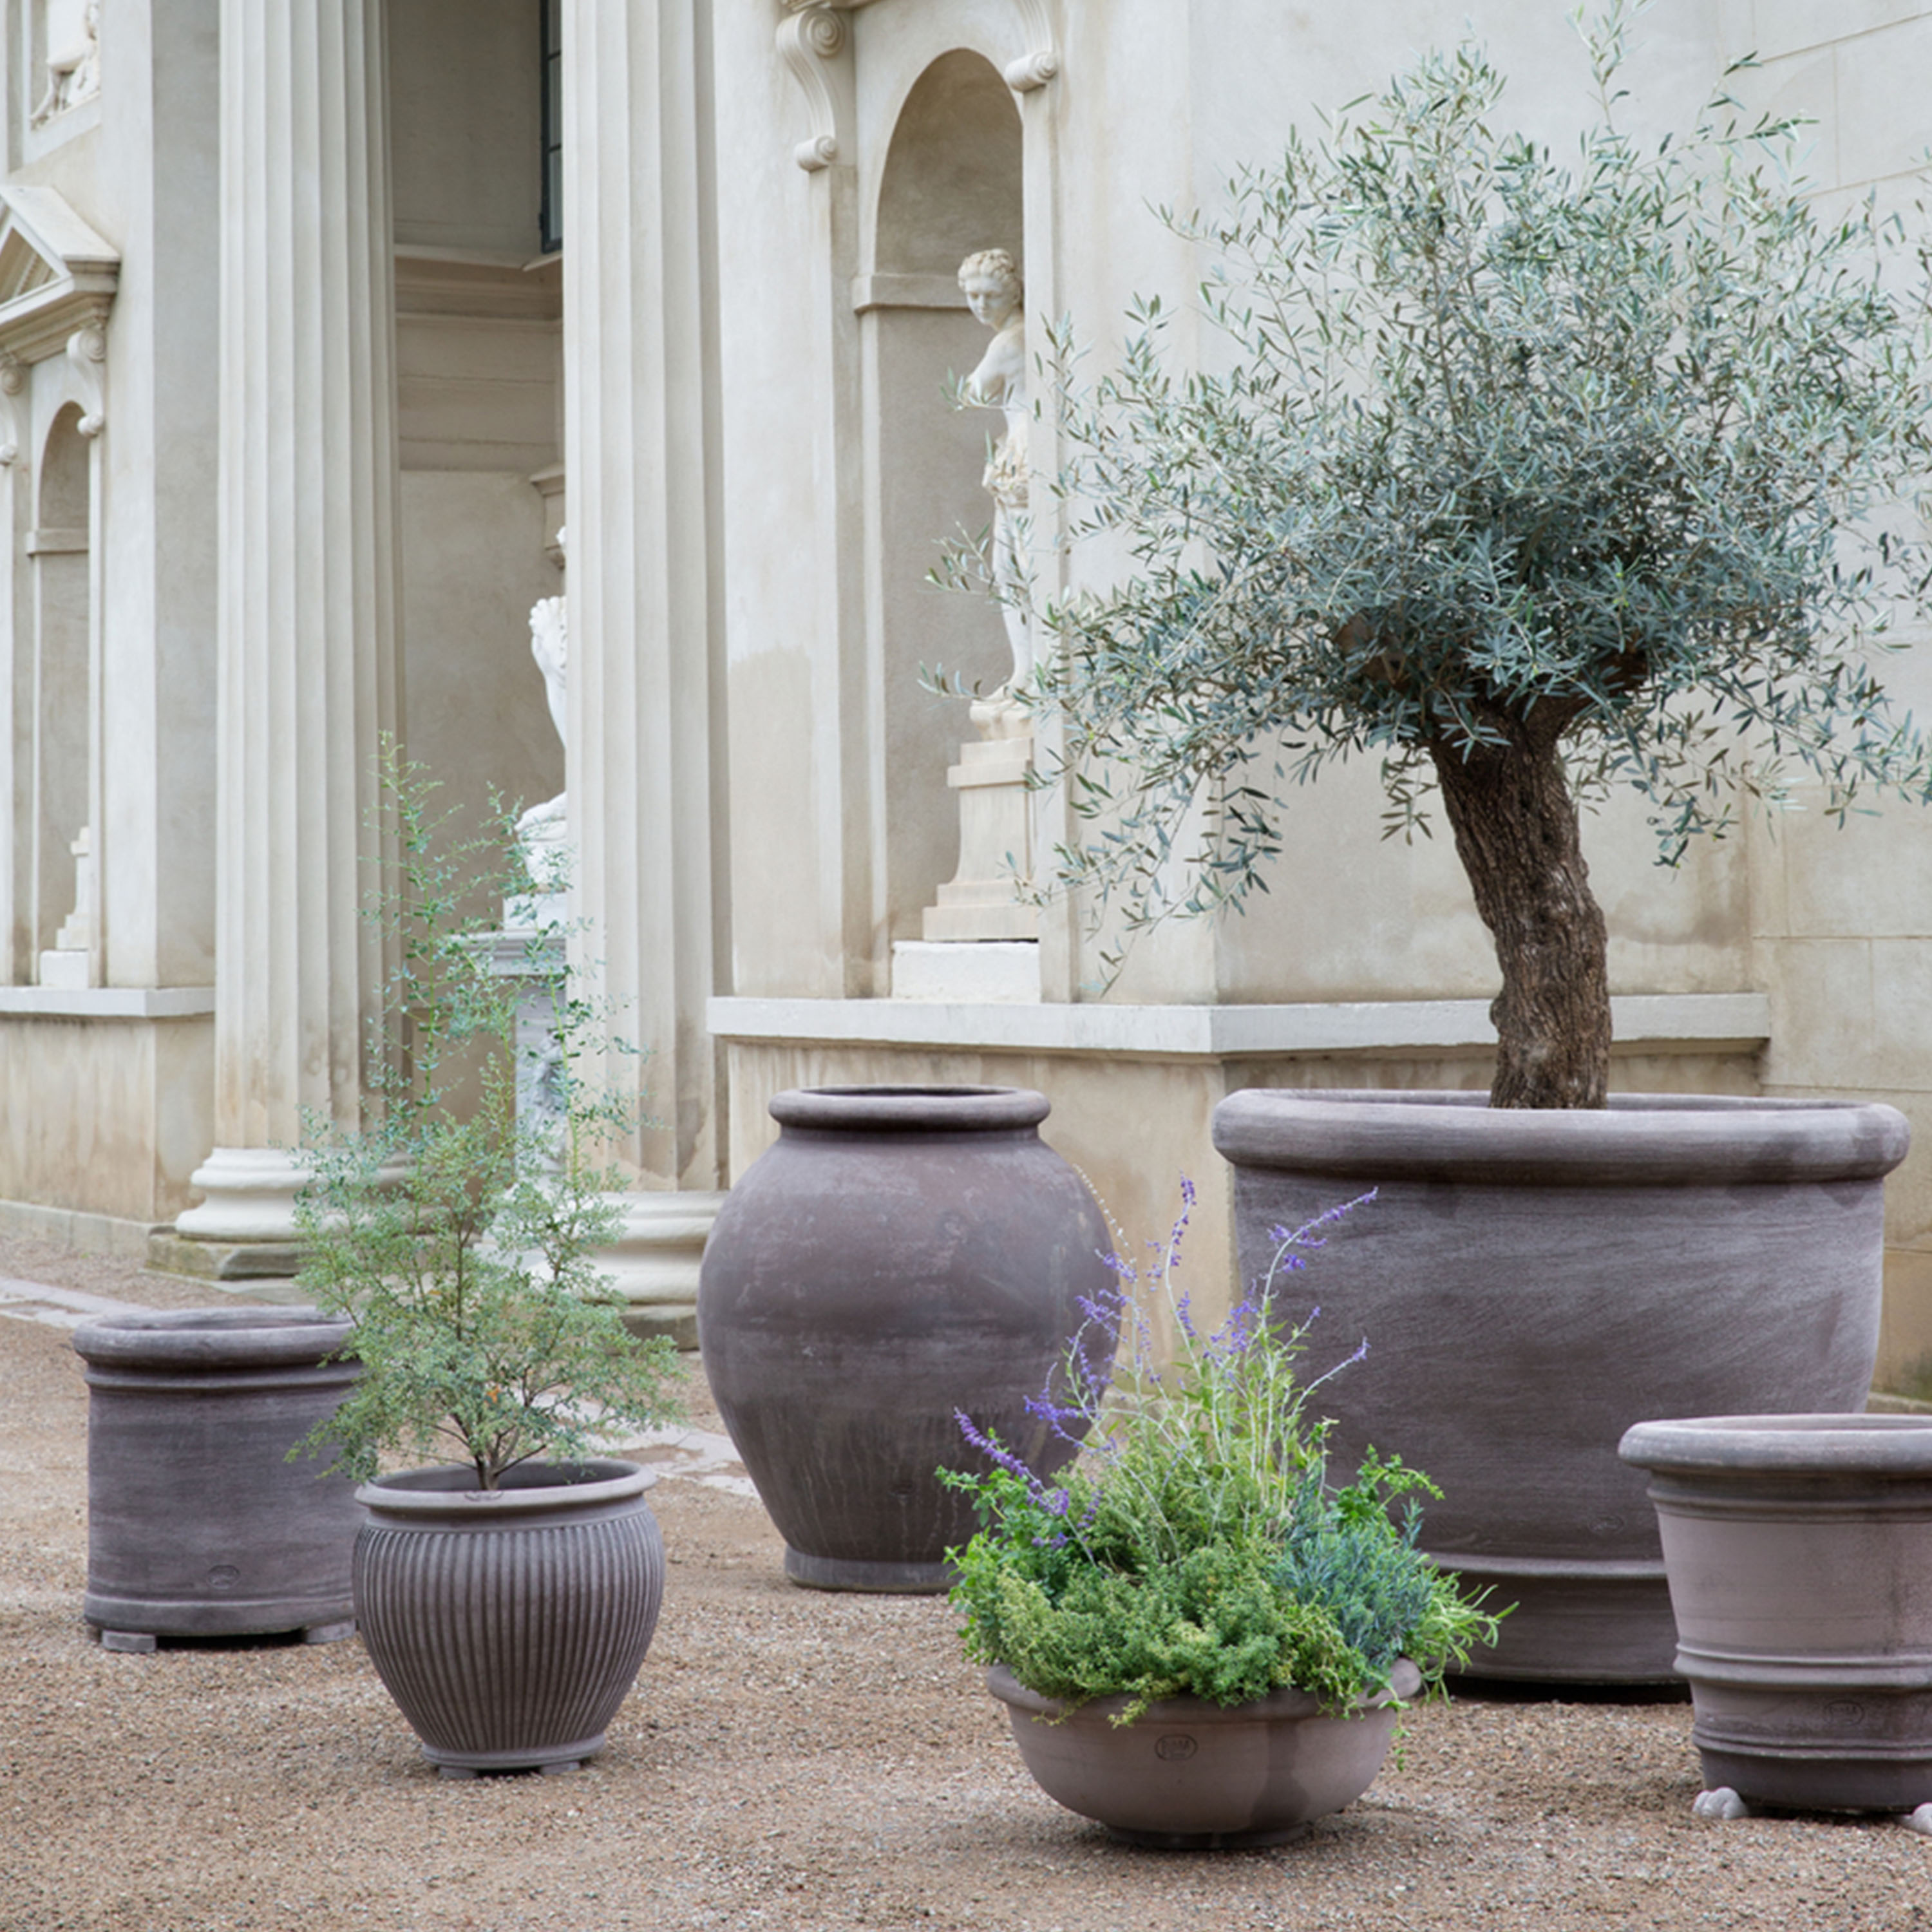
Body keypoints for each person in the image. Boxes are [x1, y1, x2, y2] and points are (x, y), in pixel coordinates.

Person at [958, 248, 1032, 696]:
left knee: (1015, 567)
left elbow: (970, 392)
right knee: (1012, 566)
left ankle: (1030, 672)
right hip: (1021, 451)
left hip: (1024, 452)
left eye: (990, 295)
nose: (981, 306)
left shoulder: (1009, 342)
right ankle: (1027, 671)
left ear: (1014, 292)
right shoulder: (1023, 336)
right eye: (972, 297)